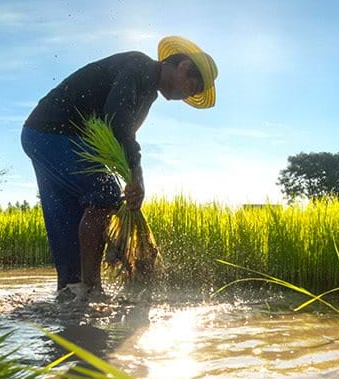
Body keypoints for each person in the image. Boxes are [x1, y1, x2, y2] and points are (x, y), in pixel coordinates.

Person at [22, 36, 217, 302]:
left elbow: (124, 136)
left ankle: (70, 303)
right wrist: (136, 175)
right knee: (104, 193)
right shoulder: (139, 67)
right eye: (191, 87)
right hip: (53, 132)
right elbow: (117, 121)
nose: (186, 97)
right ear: (182, 67)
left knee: (70, 218)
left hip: (42, 135)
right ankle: (93, 291)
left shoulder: (148, 92)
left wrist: (132, 176)